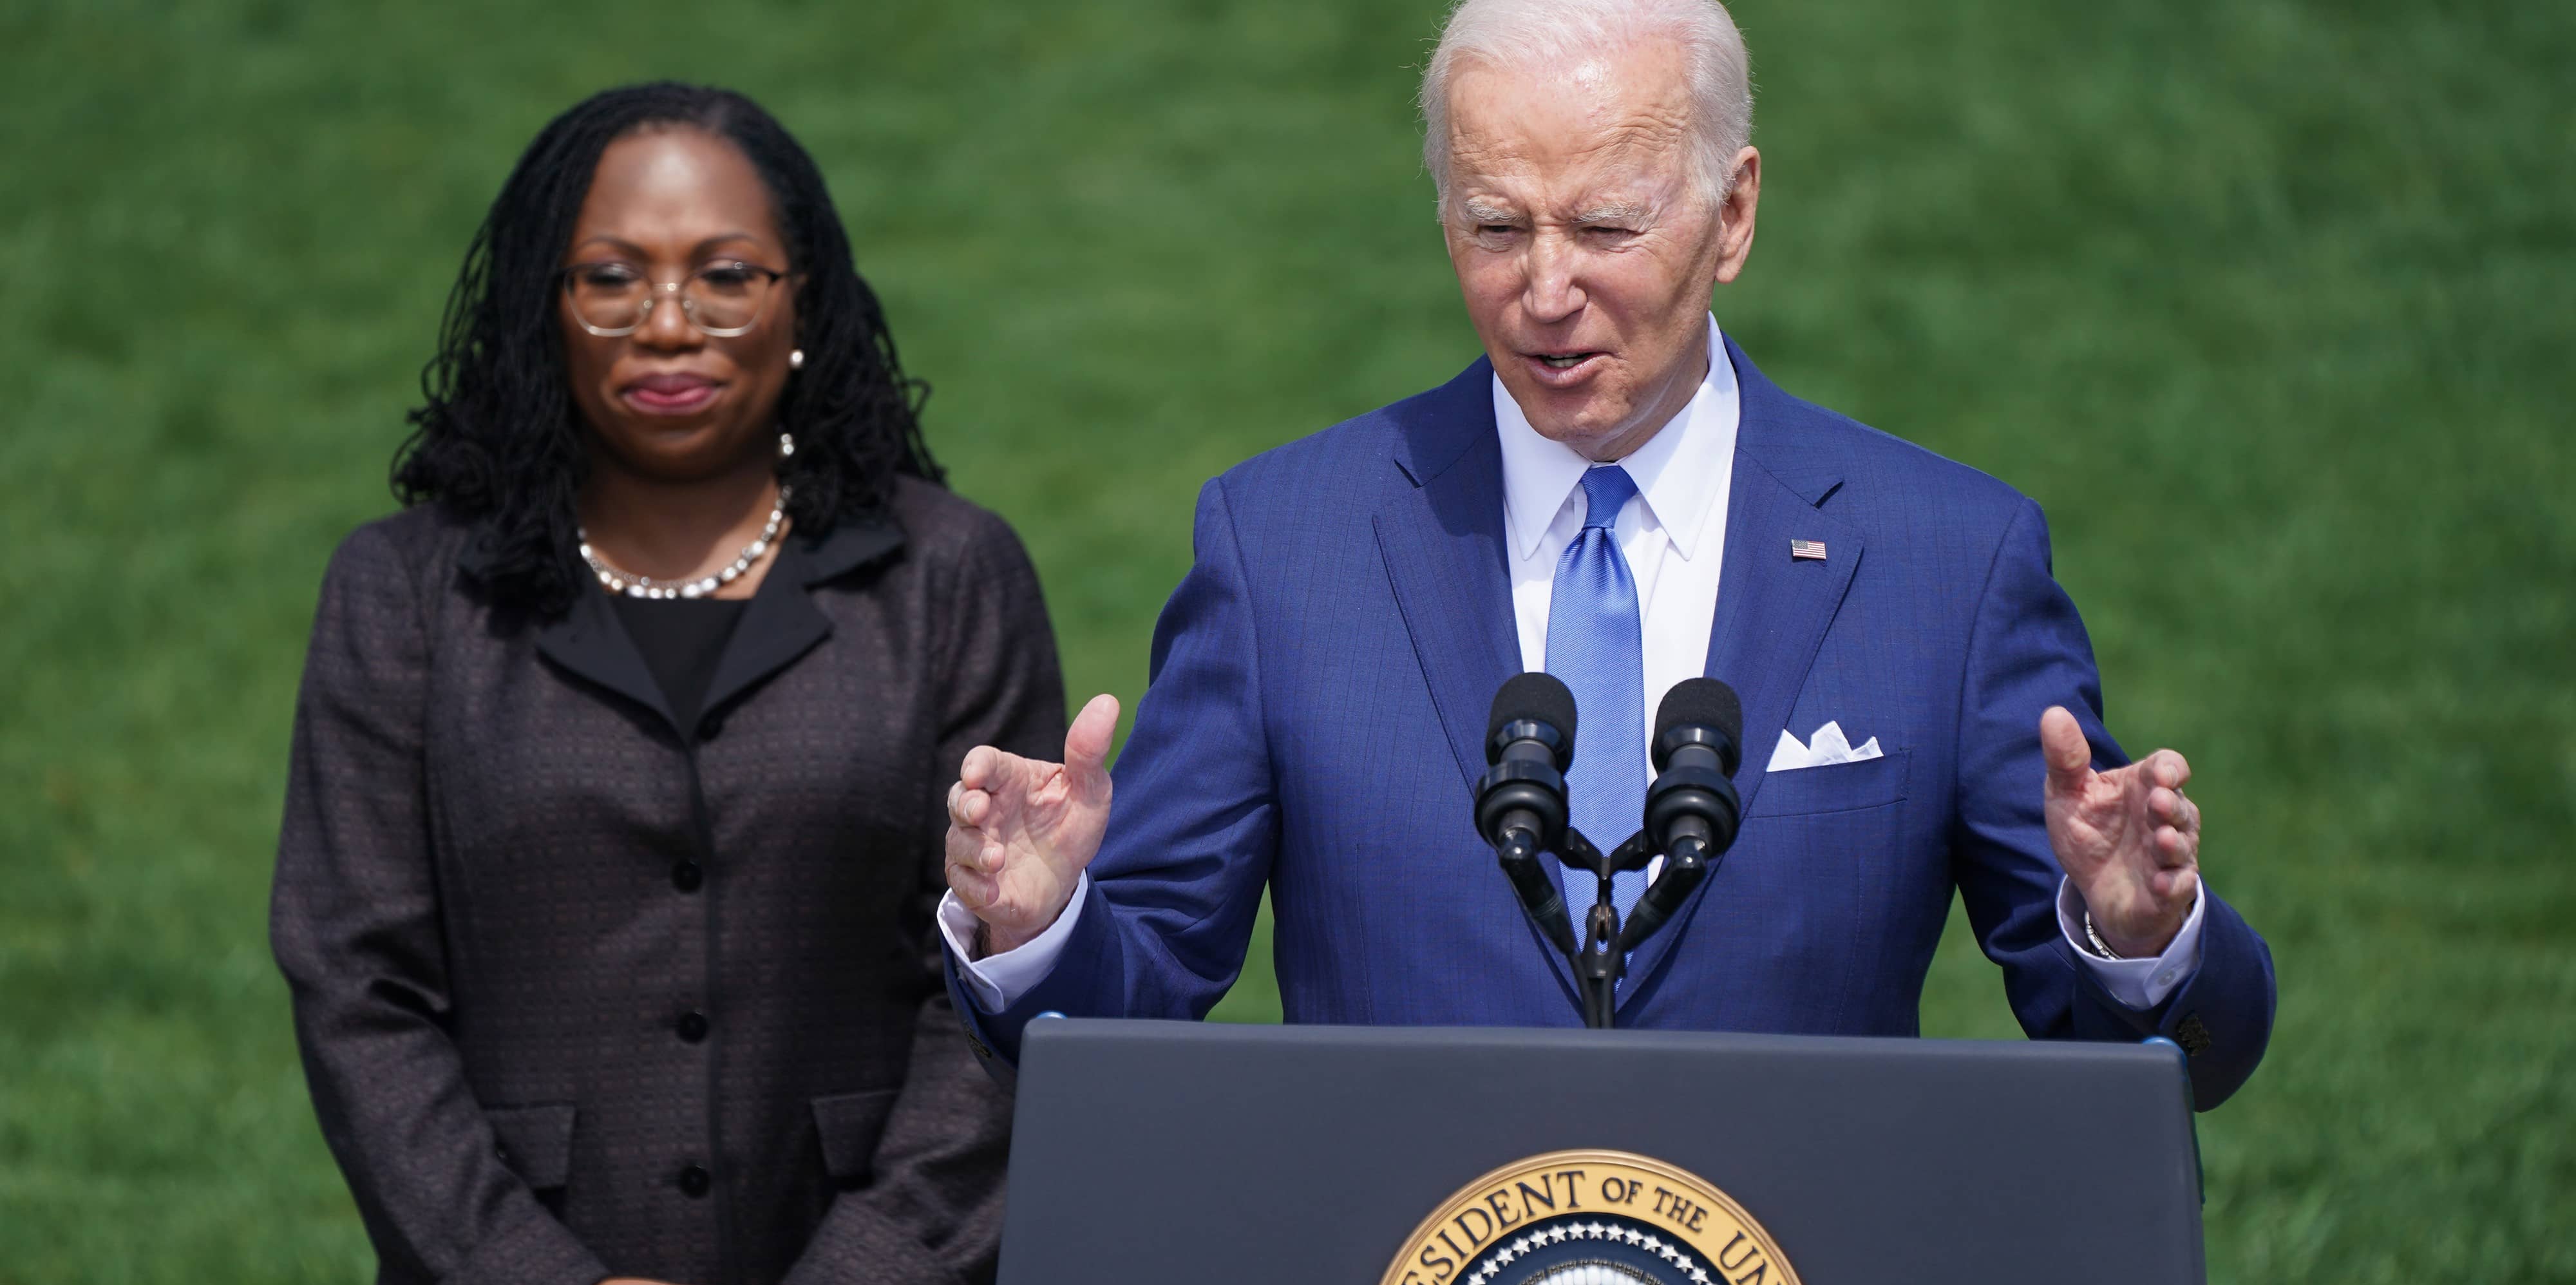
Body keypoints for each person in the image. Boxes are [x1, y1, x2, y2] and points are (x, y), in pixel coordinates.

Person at [939, 0, 2273, 1109]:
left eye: (1604, 227)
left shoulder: (1944, 559)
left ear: (1732, 213)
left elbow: (2138, 1063)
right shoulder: (1284, 547)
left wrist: (2134, 936)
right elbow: (1129, 1017)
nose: (1544, 289)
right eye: (1494, 225)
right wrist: (1040, 924)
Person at [271, 84, 1063, 1285]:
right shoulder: (403, 595)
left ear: (802, 297)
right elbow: (359, 985)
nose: (668, 322)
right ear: (543, 303)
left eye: (726, 274)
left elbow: (997, 972)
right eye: (610, 278)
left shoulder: (948, 576)